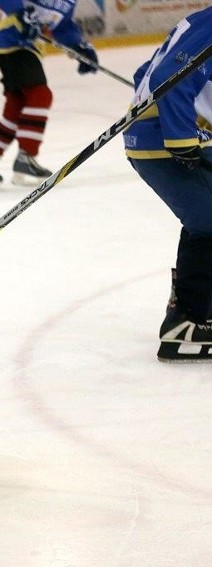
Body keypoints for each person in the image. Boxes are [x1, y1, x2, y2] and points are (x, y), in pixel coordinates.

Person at [123, 7, 212, 363]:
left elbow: (145, 73)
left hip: (167, 136)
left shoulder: (201, 21)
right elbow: (170, 75)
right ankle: (186, 323)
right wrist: (181, 138)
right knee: (207, 223)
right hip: (163, 144)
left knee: (205, 221)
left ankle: (194, 309)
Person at [0, 0, 98, 190]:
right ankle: (26, 159)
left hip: (22, 47)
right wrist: (20, 13)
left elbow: (62, 27)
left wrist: (80, 47)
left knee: (17, 105)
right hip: (14, 41)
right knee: (40, 95)